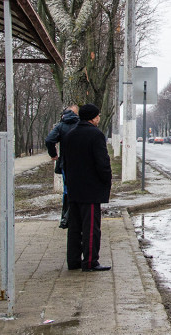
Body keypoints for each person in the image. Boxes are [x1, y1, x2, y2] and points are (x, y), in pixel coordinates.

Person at [61, 104, 112, 272]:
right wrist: (106, 180)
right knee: (90, 227)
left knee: (74, 227)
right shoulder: (95, 135)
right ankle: (90, 261)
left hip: (73, 188)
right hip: (90, 190)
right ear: (92, 117)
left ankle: (73, 260)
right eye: (97, 116)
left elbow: (65, 162)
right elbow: (102, 162)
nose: (99, 118)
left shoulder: (70, 135)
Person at [45, 104, 80, 229]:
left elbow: (49, 140)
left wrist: (54, 155)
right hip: (82, 164)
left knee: (67, 190)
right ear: (76, 114)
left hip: (66, 164)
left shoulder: (60, 126)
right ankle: (79, 218)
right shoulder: (81, 125)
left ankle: (66, 218)